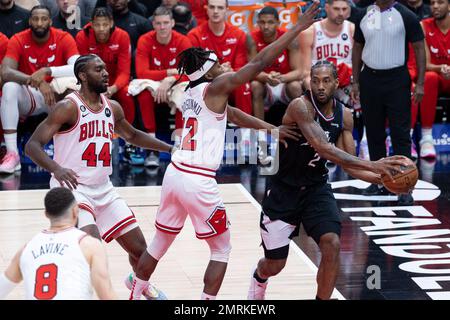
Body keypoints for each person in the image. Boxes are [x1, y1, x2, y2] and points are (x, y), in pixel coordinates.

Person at [129, 1, 323, 301]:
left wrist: (269, 129)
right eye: (217, 63)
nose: (223, 66)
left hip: (175, 174)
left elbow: (232, 115)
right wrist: (298, 27)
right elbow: (258, 64)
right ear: (209, 72)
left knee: (160, 242)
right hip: (197, 179)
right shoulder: (215, 87)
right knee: (221, 248)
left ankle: (135, 291)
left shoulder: (193, 90)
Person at [247, 61, 410, 300]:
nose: (320, 86)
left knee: (332, 243)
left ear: (336, 83)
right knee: (275, 264)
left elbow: (349, 164)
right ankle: (259, 279)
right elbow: (324, 148)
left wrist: (383, 179)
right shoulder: (300, 107)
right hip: (284, 190)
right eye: (315, 80)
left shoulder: (344, 115)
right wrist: (374, 164)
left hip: (316, 189)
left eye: (325, 81)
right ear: (309, 82)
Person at [25, 54, 173, 300]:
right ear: (82, 75)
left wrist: (171, 149)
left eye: (105, 68)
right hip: (74, 189)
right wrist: (56, 168)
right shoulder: (68, 107)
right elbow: (33, 146)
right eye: (98, 69)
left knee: (142, 252)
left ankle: (138, 284)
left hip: (104, 189)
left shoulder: (112, 107)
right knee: (95, 253)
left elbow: (133, 136)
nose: (105, 73)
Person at [351, 0, 426, 205]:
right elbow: (357, 46)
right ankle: (379, 181)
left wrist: (420, 83)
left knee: (400, 133)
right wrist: (355, 81)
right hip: (370, 79)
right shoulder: (364, 14)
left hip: (397, 79)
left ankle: (405, 187)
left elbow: (420, 48)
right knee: (374, 132)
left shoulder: (406, 15)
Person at [0, 5, 80, 174]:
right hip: (33, 95)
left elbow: (78, 67)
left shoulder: (63, 37)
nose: (39, 23)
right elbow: (5, 72)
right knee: (9, 88)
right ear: (29, 21)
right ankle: (12, 155)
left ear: (50, 21)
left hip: (57, 97)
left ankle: (76, 155)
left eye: (44, 19)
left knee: (75, 85)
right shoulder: (18, 39)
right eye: (35, 19)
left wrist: (48, 71)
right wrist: (37, 82)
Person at [0, 187, 117, 300]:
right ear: (75, 211)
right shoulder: (89, 245)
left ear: (46, 214)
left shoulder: (26, 249)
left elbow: (2, 288)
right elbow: (106, 294)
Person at [135, 6, 192, 167]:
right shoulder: (145, 40)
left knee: (185, 92)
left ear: (173, 23)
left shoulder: (183, 41)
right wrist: (168, 73)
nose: (162, 27)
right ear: (153, 24)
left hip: (176, 82)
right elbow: (141, 72)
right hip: (153, 83)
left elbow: (190, 72)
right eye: (158, 23)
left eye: (166, 23)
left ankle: (180, 146)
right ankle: (151, 149)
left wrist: (170, 79)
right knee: (143, 93)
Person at [187, 0, 253, 116]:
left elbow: (240, 67)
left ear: (227, 10)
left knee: (244, 84)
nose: (215, 11)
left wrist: (229, 72)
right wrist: (219, 72)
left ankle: (245, 131)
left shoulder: (238, 34)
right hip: (206, 82)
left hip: (231, 79)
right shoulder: (195, 35)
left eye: (220, 8)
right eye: (212, 7)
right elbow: (195, 70)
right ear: (206, 9)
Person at [75, 7, 135, 126]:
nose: (101, 29)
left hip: (115, 82)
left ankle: (129, 137)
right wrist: (96, 86)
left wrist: (113, 88)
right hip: (92, 81)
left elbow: (124, 72)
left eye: (105, 24)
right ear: (91, 24)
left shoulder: (122, 36)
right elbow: (83, 70)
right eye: (97, 25)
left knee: (126, 94)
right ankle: (86, 128)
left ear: (111, 23)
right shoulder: (82, 36)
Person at [410, 0, 449, 159]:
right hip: (437, 76)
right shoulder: (423, 25)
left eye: (440, 2)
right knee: (428, 78)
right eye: (432, 2)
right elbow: (424, 64)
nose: (435, 6)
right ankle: (426, 138)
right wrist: (441, 68)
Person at [251, 6, 303, 121]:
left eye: (270, 22)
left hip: (285, 84)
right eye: (262, 22)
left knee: (295, 86)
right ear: (258, 23)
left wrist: (282, 78)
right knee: (255, 85)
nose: (266, 26)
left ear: (278, 23)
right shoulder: (251, 39)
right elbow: (250, 71)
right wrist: (266, 77)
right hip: (265, 85)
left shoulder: (289, 38)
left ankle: (301, 130)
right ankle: (260, 132)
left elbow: (299, 72)